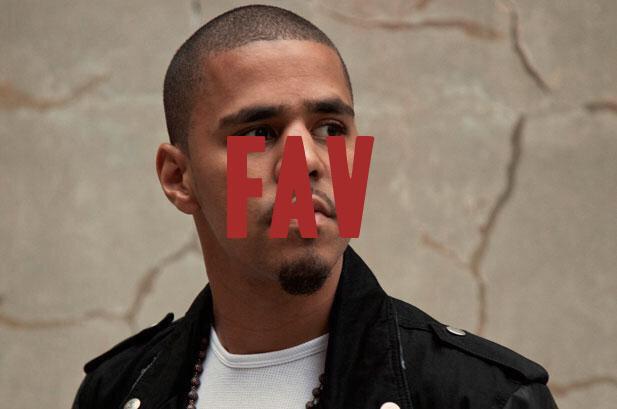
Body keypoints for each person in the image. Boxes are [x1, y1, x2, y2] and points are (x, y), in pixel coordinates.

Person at [72, 5, 558, 409]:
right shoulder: (113, 393)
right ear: (179, 178)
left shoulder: (486, 398)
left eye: (330, 128)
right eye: (258, 133)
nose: (306, 161)